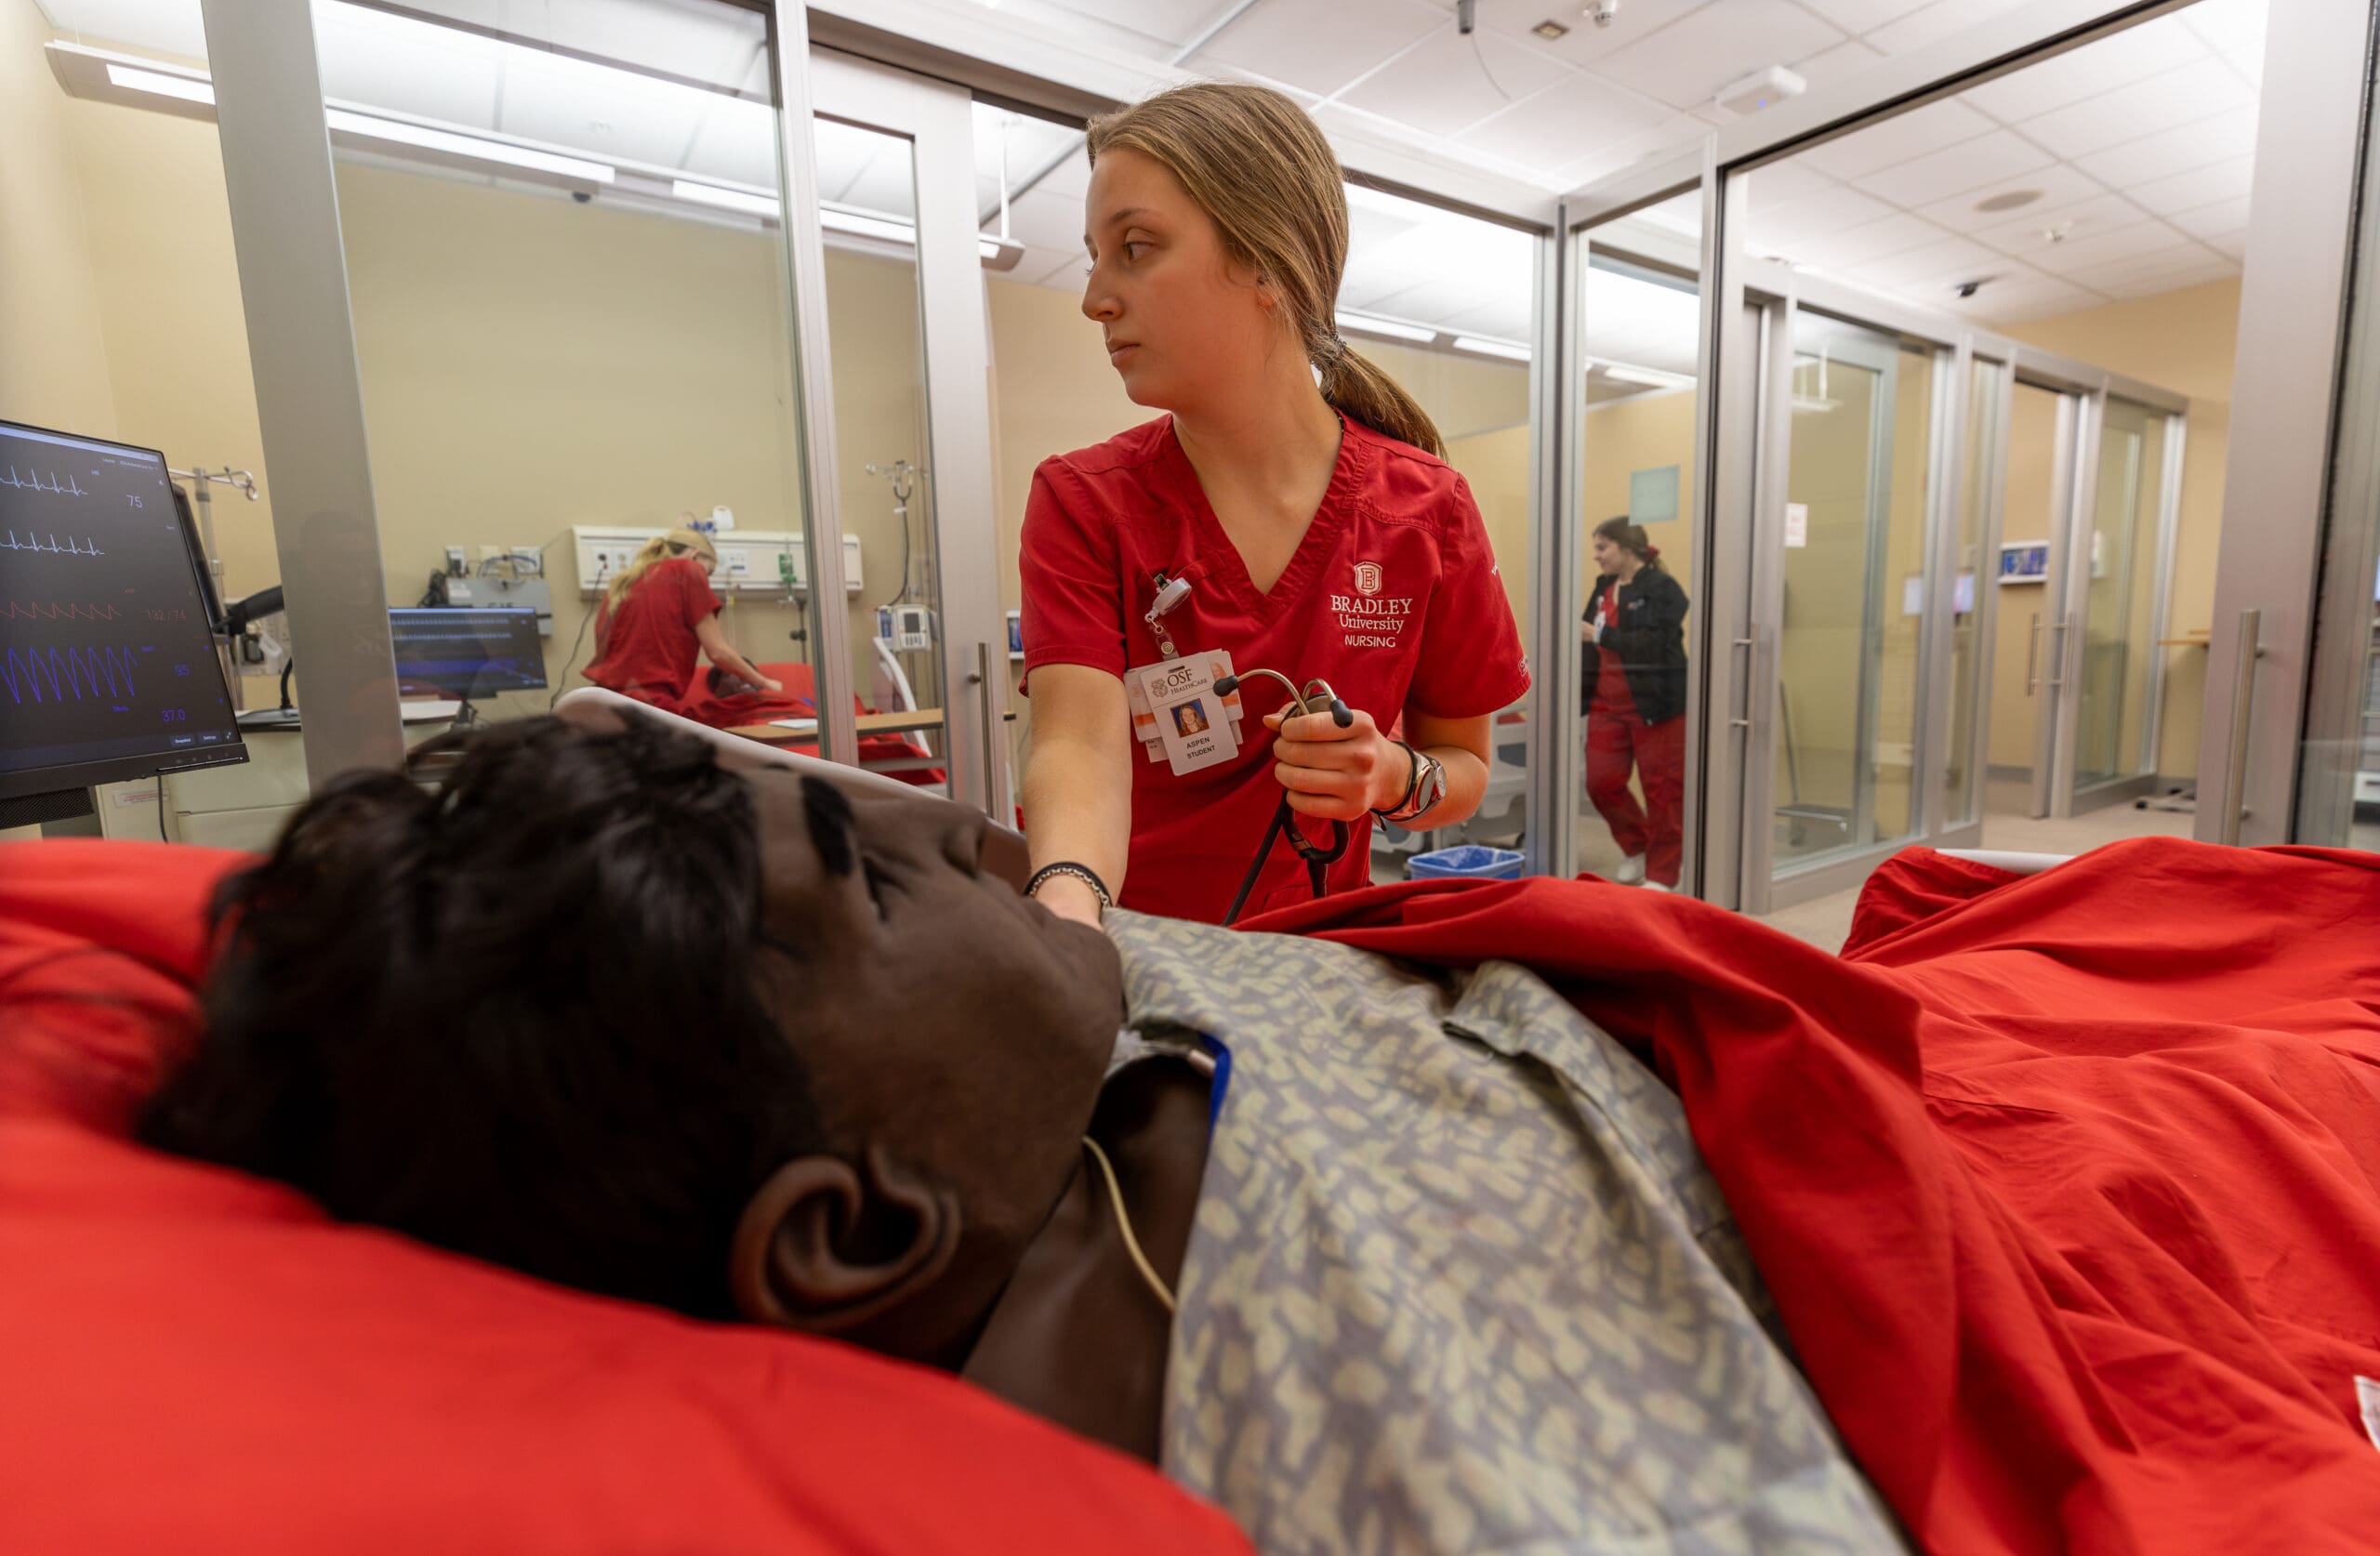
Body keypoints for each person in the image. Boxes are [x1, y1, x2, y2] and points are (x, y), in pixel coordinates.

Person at [136, 716, 1897, 1554]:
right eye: (878, 875)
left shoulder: (1024, 1051)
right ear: (857, 1230)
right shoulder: (1447, 1459)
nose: (970, 828)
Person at [1019, 83, 1529, 927]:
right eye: (1093, 258)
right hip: (1136, 946)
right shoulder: (1084, 502)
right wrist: (1068, 907)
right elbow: (1077, 747)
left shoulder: (1424, 510)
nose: (1094, 297)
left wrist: (1390, 775)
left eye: (1135, 248)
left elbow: (1463, 766)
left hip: (1318, 957)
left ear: (1264, 259)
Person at [1580, 516, 1687, 891]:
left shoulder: (1662, 588)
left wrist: (1601, 635)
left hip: (1655, 706)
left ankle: (1662, 874)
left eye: (1602, 547)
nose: (1596, 556)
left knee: (1663, 791)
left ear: (1626, 548)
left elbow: (1653, 644)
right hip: (1606, 704)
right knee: (1600, 782)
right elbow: (1585, 638)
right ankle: (1637, 844)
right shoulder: (1603, 587)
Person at [582, 526, 780, 715]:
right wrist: (765, 683)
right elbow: (717, 651)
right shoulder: (688, 569)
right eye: (708, 572)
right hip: (649, 707)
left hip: (602, 703)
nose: (706, 579)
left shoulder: (623, 583)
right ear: (695, 555)